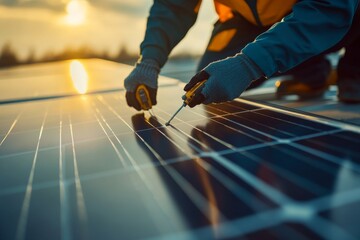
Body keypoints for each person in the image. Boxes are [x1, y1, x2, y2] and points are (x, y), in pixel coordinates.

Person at [124, 0, 360, 111]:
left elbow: (331, 8)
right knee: (211, 80)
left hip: (317, 9)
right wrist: (150, 60)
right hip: (251, 20)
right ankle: (312, 68)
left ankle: (353, 71)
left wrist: (249, 64)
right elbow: (173, 6)